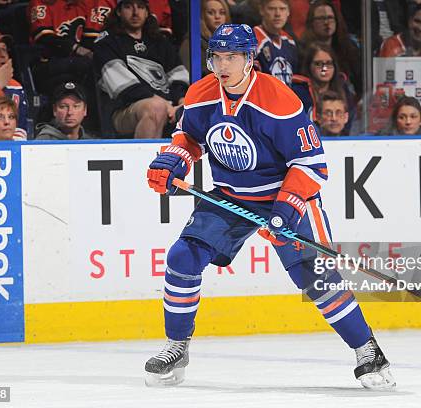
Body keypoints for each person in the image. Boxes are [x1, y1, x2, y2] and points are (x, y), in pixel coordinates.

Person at [143, 23, 395, 390]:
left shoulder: (279, 100)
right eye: (217, 57)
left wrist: (286, 209)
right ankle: (177, 347)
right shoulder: (201, 94)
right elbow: (189, 137)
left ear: (249, 59)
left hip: (284, 195)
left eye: (232, 57)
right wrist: (174, 161)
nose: (223, 65)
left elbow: (312, 165)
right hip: (231, 194)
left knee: (313, 275)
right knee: (183, 257)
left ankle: (367, 350)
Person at [93, 0, 189, 138]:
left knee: (192, 110)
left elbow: (178, 75)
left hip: (167, 106)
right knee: (155, 108)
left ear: (147, 12)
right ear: (119, 11)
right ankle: (146, 160)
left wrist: (181, 100)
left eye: (140, 7)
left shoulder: (159, 41)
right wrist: (164, 104)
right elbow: (123, 88)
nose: (135, 12)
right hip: (123, 111)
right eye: (128, 7)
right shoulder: (107, 43)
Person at [300, 0, 361, 96]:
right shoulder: (303, 51)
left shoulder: (348, 48)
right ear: (311, 22)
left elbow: (360, 84)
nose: (326, 22)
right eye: (321, 18)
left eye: (330, 18)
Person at [291, 43, 356, 130]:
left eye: (328, 63)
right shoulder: (298, 92)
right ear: (309, 66)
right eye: (318, 64)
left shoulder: (344, 89)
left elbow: (351, 121)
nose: (324, 69)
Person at [179, 0, 231, 79]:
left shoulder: (232, 42)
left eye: (222, 12)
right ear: (202, 16)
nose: (217, 16)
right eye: (211, 12)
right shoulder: (191, 44)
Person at [253, 0, 298, 86]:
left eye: (282, 9)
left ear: (288, 12)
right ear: (262, 10)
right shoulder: (252, 39)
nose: (278, 14)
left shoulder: (290, 42)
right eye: (272, 9)